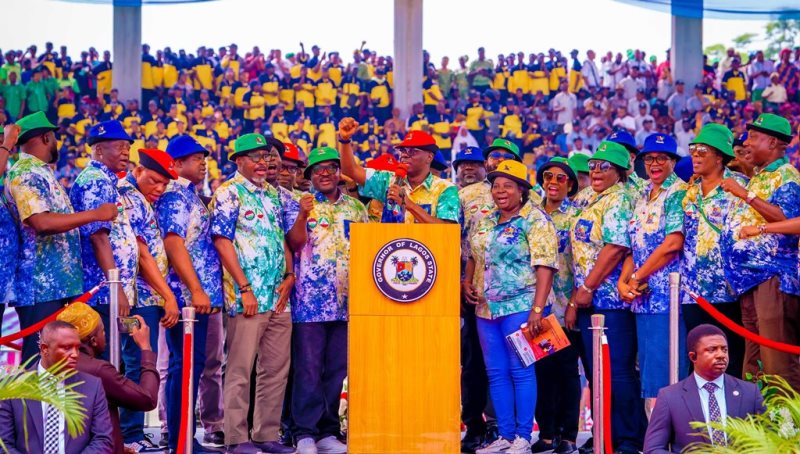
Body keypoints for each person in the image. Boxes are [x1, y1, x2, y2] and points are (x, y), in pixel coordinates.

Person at [5, 112, 117, 362]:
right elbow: (41, 222)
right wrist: (95, 214)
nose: (57, 142)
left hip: (58, 284)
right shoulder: (26, 173)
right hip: (40, 286)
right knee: (39, 362)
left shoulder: (41, 172)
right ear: (46, 137)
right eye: (54, 137)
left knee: (60, 363)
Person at [210, 133, 296, 454]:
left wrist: (290, 274)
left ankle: (266, 434)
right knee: (240, 368)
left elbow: (281, 237)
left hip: (278, 296)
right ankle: (236, 437)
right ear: (239, 161)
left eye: (266, 156)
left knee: (275, 370)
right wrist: (244, 288)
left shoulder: (274, 194)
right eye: (256, 157)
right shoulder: (228, 193)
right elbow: (222, 241)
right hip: (247, 296)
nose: (263, 162)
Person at [464, 160, 558, 454]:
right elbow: (473, 255)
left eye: (508, 186)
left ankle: (522, 436)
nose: (500, 191)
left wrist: (537, 310)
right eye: (496, 186)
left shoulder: (536, 220)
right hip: (486, 308)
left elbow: (545, 266)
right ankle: (504, 435)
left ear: (522, 190)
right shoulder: (485, 219)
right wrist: (466, 281)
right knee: (496, 372)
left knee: (521, 370)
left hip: (522, 305)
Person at [288, 147, 368, 454]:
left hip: (347, 303)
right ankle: (304, 432)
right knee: (308, 370)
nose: (324, 173)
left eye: (331, 168)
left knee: (336, 371)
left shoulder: (356, 209)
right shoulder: (299, 203)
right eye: (317, 169)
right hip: (308, 303)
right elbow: (294, 243)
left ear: (339, 173)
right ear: (309, 175)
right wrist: (302, 214)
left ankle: (328, 431)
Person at [568, 141, 646, 453]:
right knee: (597, 374)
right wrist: (578, 296)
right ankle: (604, 436)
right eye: (593, 166)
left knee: (619, 372)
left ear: (621, 171)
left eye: (605, 166)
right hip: (587, 300)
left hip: (611, 301)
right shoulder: (589, 197)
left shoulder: (620, 198)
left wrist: (587, 288)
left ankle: (628, 439)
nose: (596, 171)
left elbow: (615, 248)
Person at [720, 113, 800, 391]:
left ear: (774, 142)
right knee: (754, 360)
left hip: (773, 277)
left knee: (776, 359)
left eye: (754, 137)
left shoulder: (786, 175)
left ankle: (785, 416)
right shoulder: (758, 176)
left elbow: (787, 219)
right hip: (749, 280)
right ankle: (755, 415)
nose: (747, 143)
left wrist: (745, 195)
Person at [157, 135, 223, 453]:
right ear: (176, 164)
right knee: (183, 367)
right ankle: (181, 441)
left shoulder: (190, 195)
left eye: (204, 158)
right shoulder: (174, 196)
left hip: (198, 298)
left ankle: (184, 438)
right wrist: (196, 289)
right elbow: (173, 243)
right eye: (196, 158)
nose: (203, 163)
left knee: (190, 367)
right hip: (186, 298)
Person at [116, 147, 180, 451]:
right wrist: (169, 296)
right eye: (154, 180)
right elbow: (142, 255)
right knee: (135, 361)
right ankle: (130, 435)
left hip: (145, 297)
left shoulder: (141, 197)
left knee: (138, 360)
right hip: (137, 299)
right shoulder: (128, 196)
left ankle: (132, 433)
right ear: (138, 170)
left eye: (164, 184)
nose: (160, 188)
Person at [618, 133, 688, 412]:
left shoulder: (678, 192)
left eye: (661, 158)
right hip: (642, 299)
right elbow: (635, 246)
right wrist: (624, 281)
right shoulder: (643, 194)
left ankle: (671, 434)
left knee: (668, 375)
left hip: (667, 299)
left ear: (673, 161)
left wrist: (637, 277)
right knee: (648, 375)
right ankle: (655, 433)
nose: (654, 164)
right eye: (649, 159)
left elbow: (673, 243)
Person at [680, 124, 747, 380]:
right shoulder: (688, 192)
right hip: (692, 292)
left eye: (702, 151)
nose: (695, 156)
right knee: (697, 363)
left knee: (729, 362)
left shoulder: (740, 187)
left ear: (719, 156)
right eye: (693, 150)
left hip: (728, 291)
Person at [70, 120, 139, 354]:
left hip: (110, 293)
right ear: (99, 149)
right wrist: (115, 288)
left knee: (118, 359)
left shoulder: (107, 180)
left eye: (127, 147)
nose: (126, 152)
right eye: (119, 146)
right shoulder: (96, 181)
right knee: (106, 360)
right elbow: (98, 237)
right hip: (102, 294)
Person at [643, 324, 766, 453]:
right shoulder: (670, 397)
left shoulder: (749, 392)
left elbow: (769, 441)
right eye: (712, 350)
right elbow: (653, 449)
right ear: (693, 357)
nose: (721, 355)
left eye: (724, 350)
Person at [57, 302, 159, 453]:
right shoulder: (98, 370)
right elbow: (147, 399)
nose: (105, 336)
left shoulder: (47, 365)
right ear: (93, 340)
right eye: (103, 331)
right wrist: (146, 349)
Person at [531, 157, 582, 454]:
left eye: (560, 178)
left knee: (567, 372)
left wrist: (574, 302)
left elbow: (582, 265)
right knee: (543, 372)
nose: (553, 182)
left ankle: (569, 436)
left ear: (570, 184)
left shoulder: (576, 217)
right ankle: (547, 433)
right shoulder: (530, 213)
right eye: (548, 176)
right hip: (537, 307)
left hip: (565, 307)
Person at [0, 320, 114, 453]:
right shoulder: (14, 386)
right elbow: (3, 444)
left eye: (77, 347)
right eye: (67, 347)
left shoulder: (92, 386)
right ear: (45, 349)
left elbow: (103, 439)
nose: (75, 354)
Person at [339, 118, 459, 224]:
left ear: (429, 157)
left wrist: (409, 205)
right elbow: (350, 170)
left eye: (413, 151)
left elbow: (448, 231)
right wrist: (345, 140)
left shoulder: (445, 189)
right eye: (403, 150)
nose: (405, 155)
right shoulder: (388, 181)